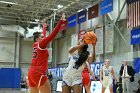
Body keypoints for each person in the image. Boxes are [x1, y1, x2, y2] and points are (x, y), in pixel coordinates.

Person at [28, 13, 66, 93]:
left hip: (31, 73)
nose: (44, 38)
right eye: (42, 37)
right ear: (38, 39)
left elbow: (44, 37)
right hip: (39, 73)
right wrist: (60, 22)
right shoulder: (41, 44)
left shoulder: (35, 45)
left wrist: (44, 28)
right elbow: (52, 35)